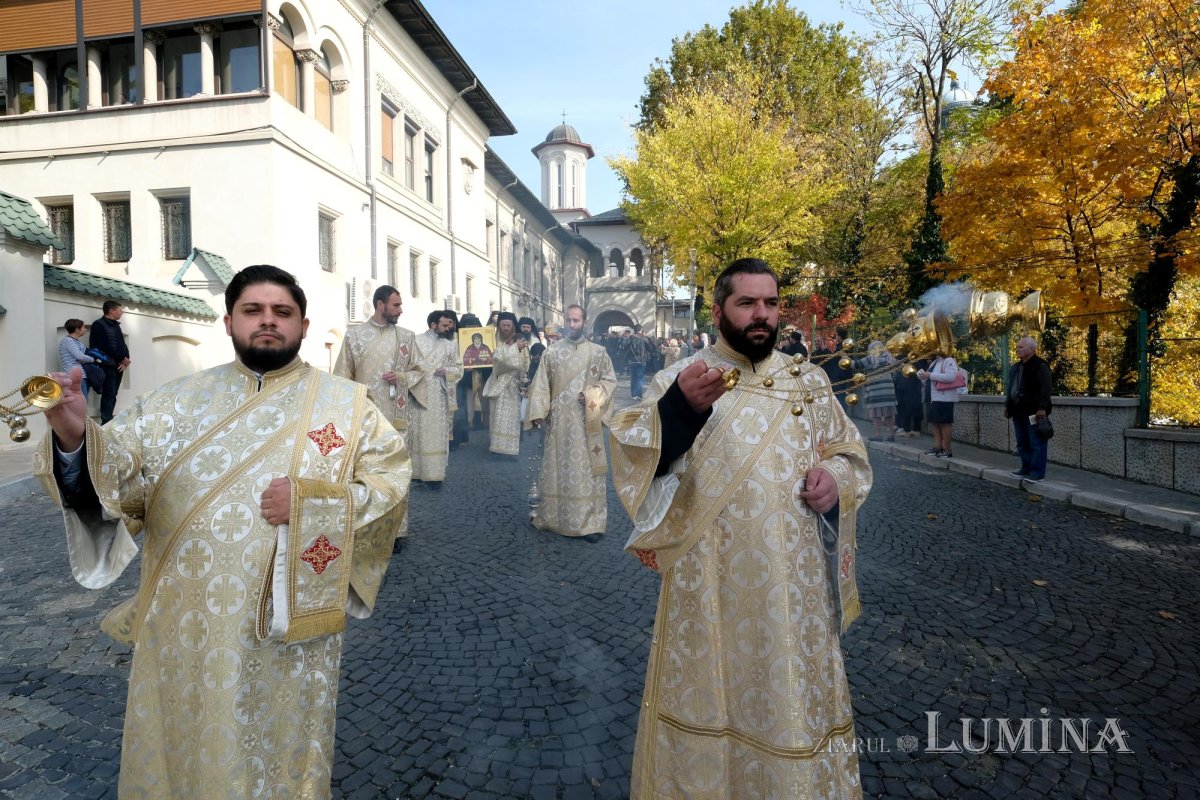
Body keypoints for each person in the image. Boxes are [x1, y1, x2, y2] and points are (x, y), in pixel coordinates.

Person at [37, 264, 410, 798]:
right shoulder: (171, 403)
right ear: (229, 321)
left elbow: (390, 483)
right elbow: (116, 475)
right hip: (184, 624)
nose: (267, 322)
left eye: (282, 313)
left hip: (287, 632)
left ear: (303, 326)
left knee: (277, 759)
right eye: (252, 311)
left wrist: (313, 503)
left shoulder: (348, 408)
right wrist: (75, 433)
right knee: (186, 752)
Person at [608, 258, 873, 799]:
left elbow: (851, 454)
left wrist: (834, 481)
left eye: (771, 303)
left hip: (793, 593)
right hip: (707, 588)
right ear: (719, 309)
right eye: (747, 303)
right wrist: (680, 410)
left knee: (791, 704)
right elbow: (636, 465)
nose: (761, 315)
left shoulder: (808, 381)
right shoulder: (681, 380)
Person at [526, 304, 616, 539]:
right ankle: (554, 517)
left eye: (576, 320)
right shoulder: (552, 352)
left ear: (584, 322)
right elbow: (541, 385)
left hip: (587, 423)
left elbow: (609, 381)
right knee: (558, 466)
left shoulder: (598, 352)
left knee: (585, 470)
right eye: (569, 320)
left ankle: (589, 523)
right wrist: (538, 413)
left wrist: (590, 395)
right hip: (558, 422)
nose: (572, 324)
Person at [333, 284, 415, 433]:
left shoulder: (407, 337)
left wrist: (402, 378)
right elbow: (342, 376)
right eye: (396, 305)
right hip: (364, 415)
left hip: (397, 417)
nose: (400, 310)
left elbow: (419, 372)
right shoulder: (354, 335)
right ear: (380, 304)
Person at [408, 310, 462, 486]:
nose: (448, 328)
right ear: (433, 324)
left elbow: (459, 368)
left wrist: (447, 372)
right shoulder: (415, 341)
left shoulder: (450, 345)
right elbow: (408, 365)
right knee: (417, 433)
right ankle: (416, 472)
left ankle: (435, 475)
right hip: (418, 394)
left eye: (449, 325)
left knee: (436, 434)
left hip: (439, 395)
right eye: (445, 325)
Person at [1005, 335, 1053, 482]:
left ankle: (1037, 473)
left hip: (1034, 412)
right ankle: (1025, 469)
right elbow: (1010, 388)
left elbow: (1045, 389)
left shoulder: (1040, 366)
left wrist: (1041, 408)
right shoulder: (1016, 367)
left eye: (1021, 347)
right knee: (1022, 442)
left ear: (1033, 349)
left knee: (1036, 442)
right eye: (1017, 347)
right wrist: (1008, 405)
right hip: (1017, 411)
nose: (1017, 349)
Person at [482, 311, 529, 456]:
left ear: (513, 326)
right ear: (499, 326)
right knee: (496, 417)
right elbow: (498, 362)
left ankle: (510, 449)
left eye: (509, 325)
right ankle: (496, 447)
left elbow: (524, 364)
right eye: (503, 325)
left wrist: (524, 381)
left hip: (513, 386)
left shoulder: (521, 342)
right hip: (497, 384)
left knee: (511, 419)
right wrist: (515, 349)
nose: (506, 328)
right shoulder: (491, 339)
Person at [89, 300, 131, 423]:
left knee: (113, 394)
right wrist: (122, 359)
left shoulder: (116, 325)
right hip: (106, 365)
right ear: (112, 311)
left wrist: (125, 360)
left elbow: (122, 345)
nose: (122, 312)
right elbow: (103, 346)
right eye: (120, 310)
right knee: (108, 393)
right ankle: (106, 421)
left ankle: (109, 420)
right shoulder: (98, 324)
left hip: (118, 365)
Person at [919, 351, 961, 458]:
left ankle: (947, 450)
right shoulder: (935, 362)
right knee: (935, 422)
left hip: (944, 398)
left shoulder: (949, 360)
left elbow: (951, 377)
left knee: (945, 423)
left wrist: (930, 375)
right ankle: (938, 448)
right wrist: (923, 377)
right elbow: (932, 379)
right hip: (933, 398)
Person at [855, 341, 898, 441]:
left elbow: (857, 364)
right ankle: (891, 434)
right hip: (888, 389)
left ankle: (878, 434)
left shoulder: (870, 358)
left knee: (876, 412)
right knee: (889, 412)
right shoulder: (888, 357)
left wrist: (845, 358)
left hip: (876, 390)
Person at [58, 318, 102, 399]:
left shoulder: (77, 342)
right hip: (74, 376)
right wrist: (94, 359)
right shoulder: (68, 341)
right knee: (81, 402)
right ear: (77, 330)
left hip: (82, 375)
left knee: (82, 401)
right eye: (84, 327)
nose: (85, 330)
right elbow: (80, 357)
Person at [625, 324, 655, 400]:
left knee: (633, 377)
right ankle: (639, 394)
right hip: (641, 360)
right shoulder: (644, 338)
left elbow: (625, 347)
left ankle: (633, 394)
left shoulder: (630, 337)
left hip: (631, 360)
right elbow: (650, 348)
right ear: (641, 330)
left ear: (634, 330)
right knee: (640, 378)